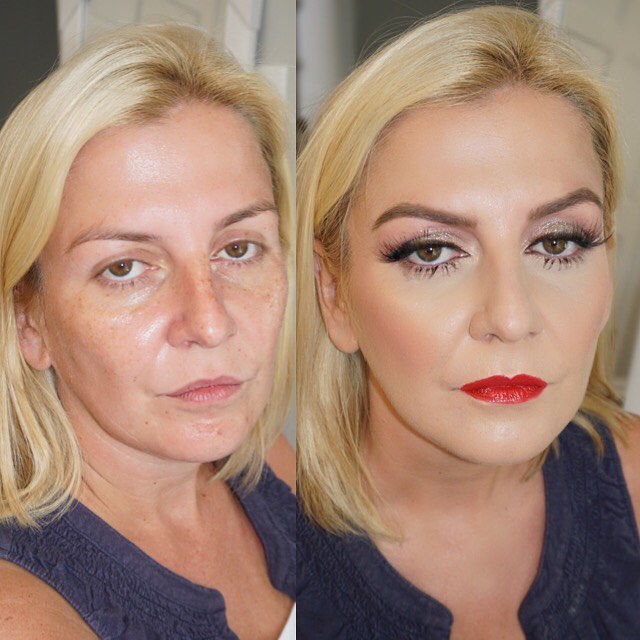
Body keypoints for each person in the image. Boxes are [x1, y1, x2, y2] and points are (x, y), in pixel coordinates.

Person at [296, 6, 640, 639]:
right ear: (333, 292)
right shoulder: (257, 566)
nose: (511, 318)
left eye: (557, 243)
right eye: (432, 252)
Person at [0, 23, 295, 640]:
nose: (210, 323)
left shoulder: (261, 462)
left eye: (238, 249)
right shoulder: (25, 614)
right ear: (30, 319)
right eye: (125, 268)